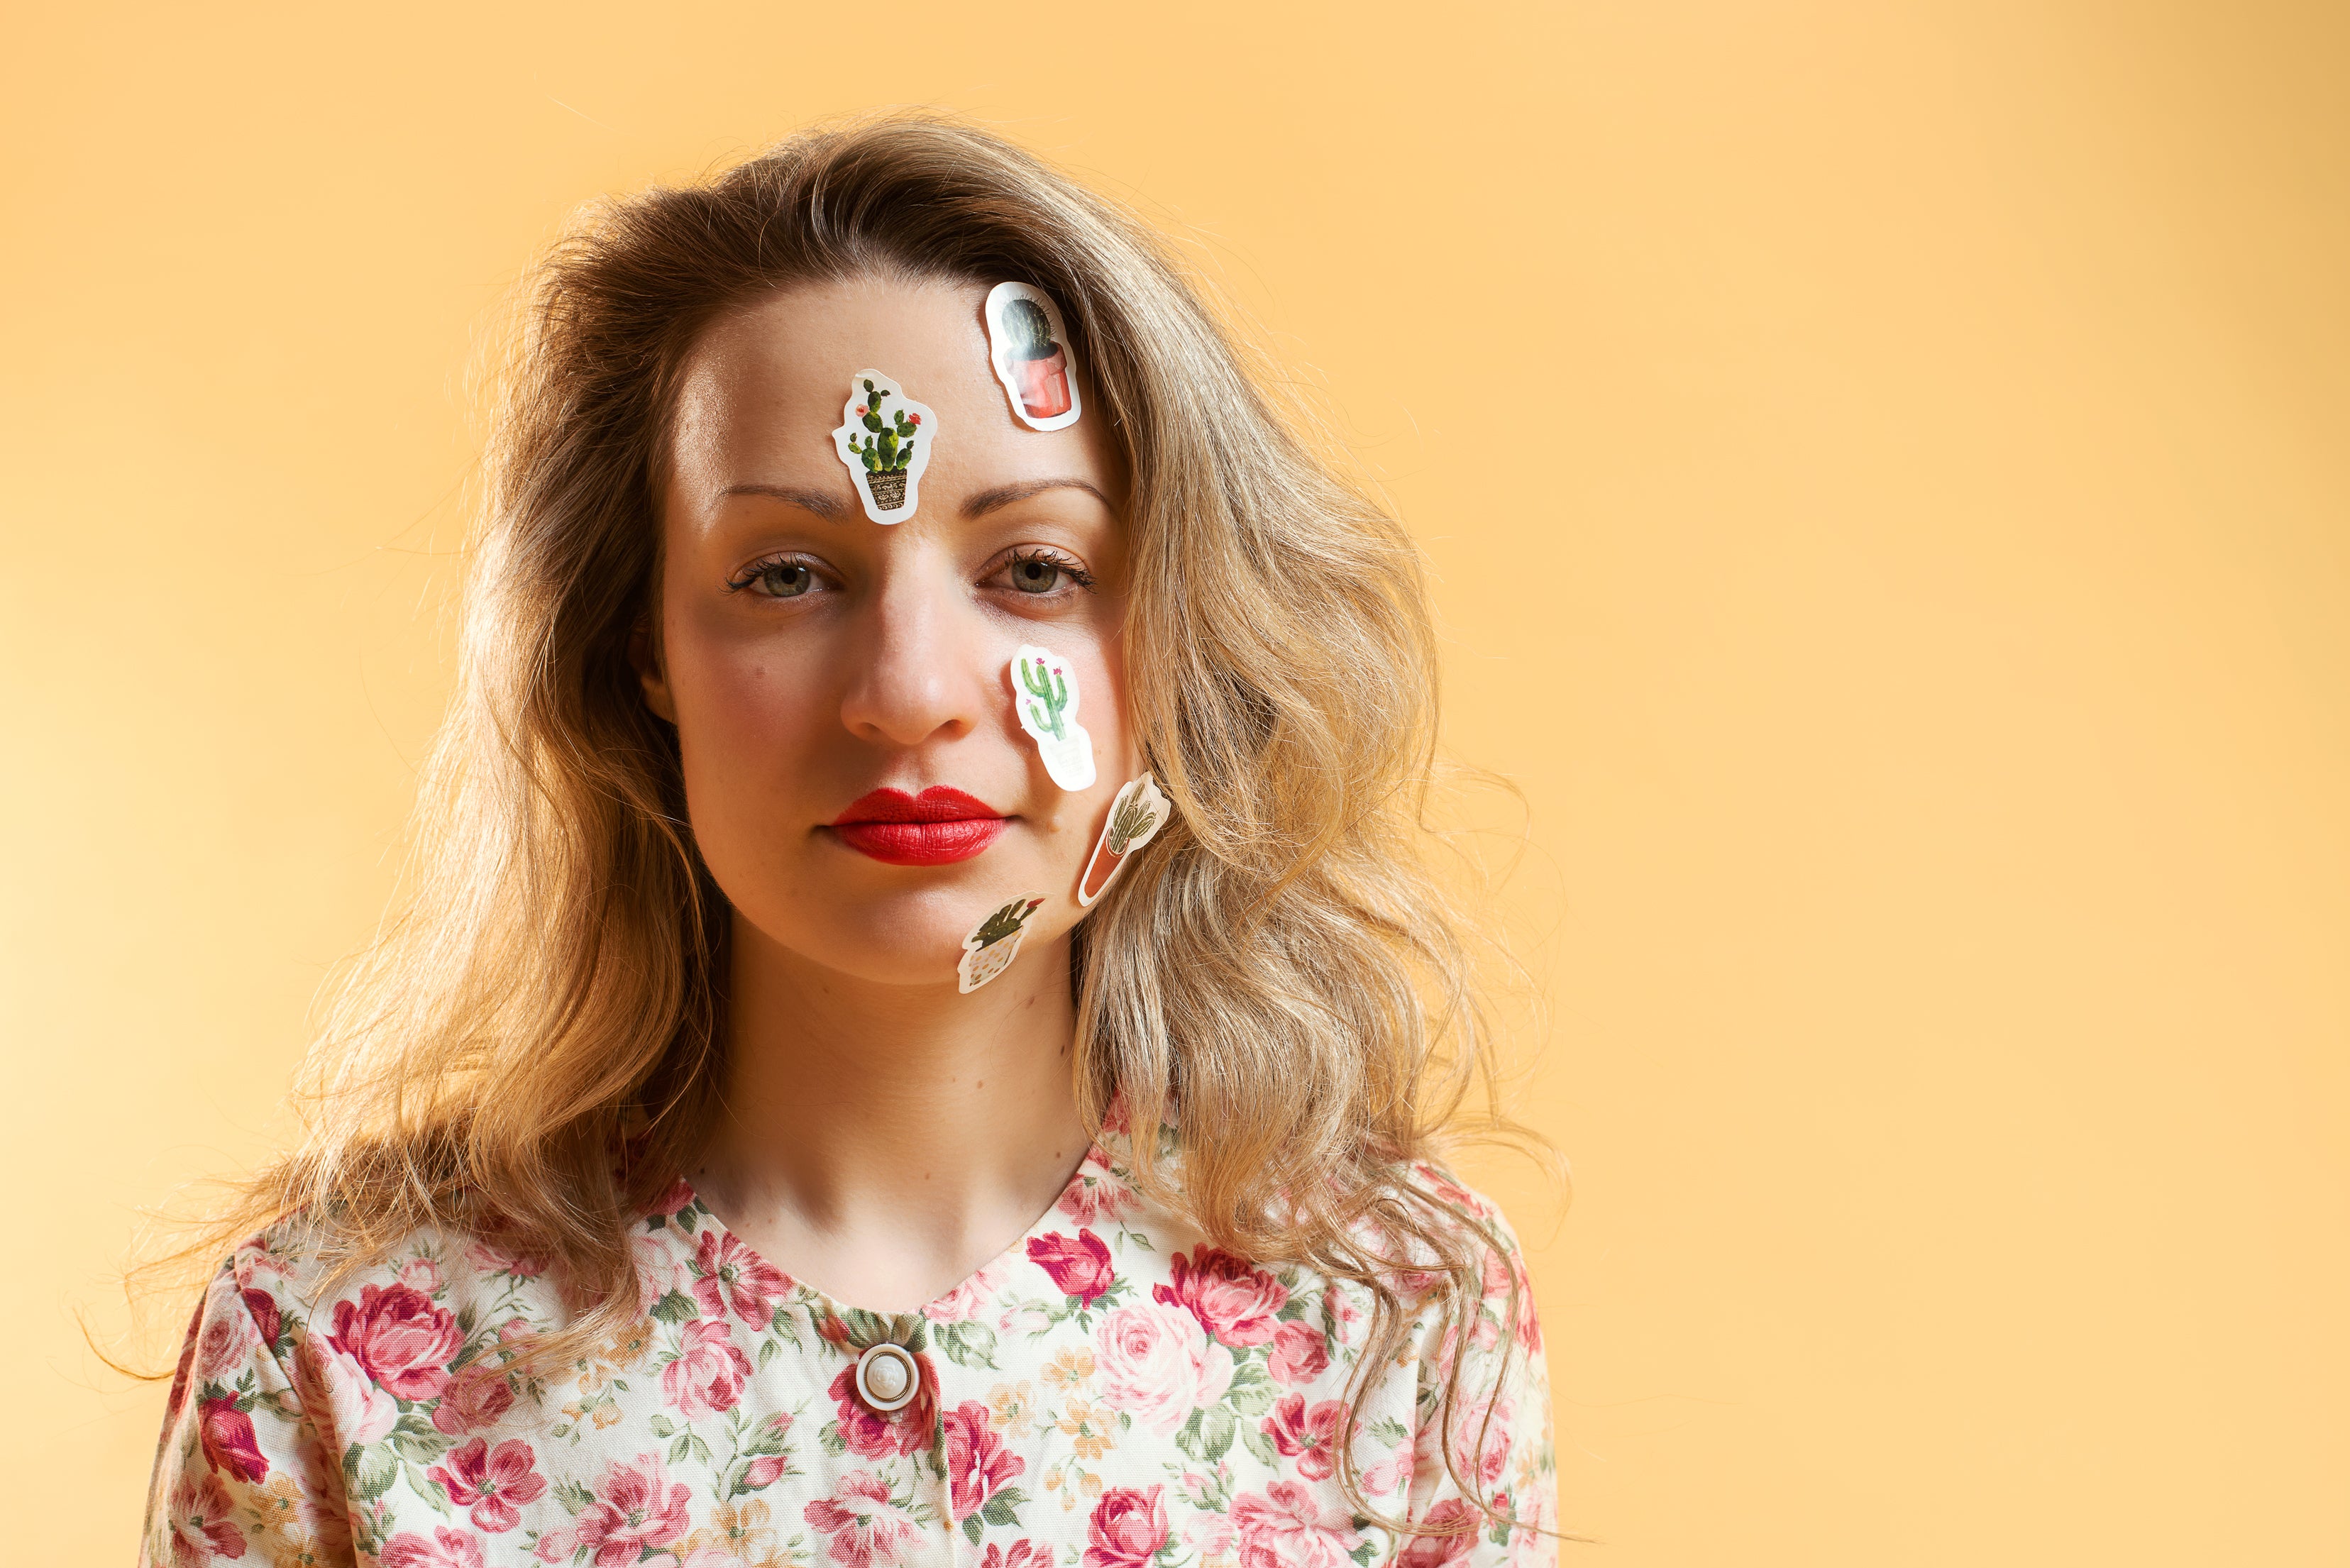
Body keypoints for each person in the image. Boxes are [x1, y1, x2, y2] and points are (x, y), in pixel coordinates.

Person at [141, 116, 1556, 1568]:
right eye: (788, 574)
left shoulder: (1397, 1320)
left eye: (1035, 569)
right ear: (644, 652)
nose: (909, 696)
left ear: (1181, 637)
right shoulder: (340, 1354)